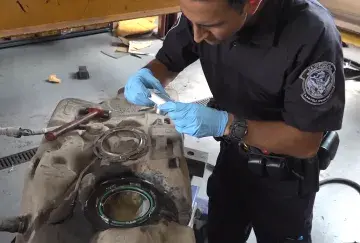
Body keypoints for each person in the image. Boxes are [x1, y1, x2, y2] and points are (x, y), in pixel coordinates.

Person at [123, 0, 346, 242]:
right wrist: (147, 76)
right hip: (232, 155)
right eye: (191, 21)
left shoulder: (312, 34)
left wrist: (227, 125)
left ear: (251, 3)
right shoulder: (204, 12)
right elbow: (167, 62)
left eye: (210, 25)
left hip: (285, 176)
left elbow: (305, 142)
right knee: (222, 232)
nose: (197, 36)